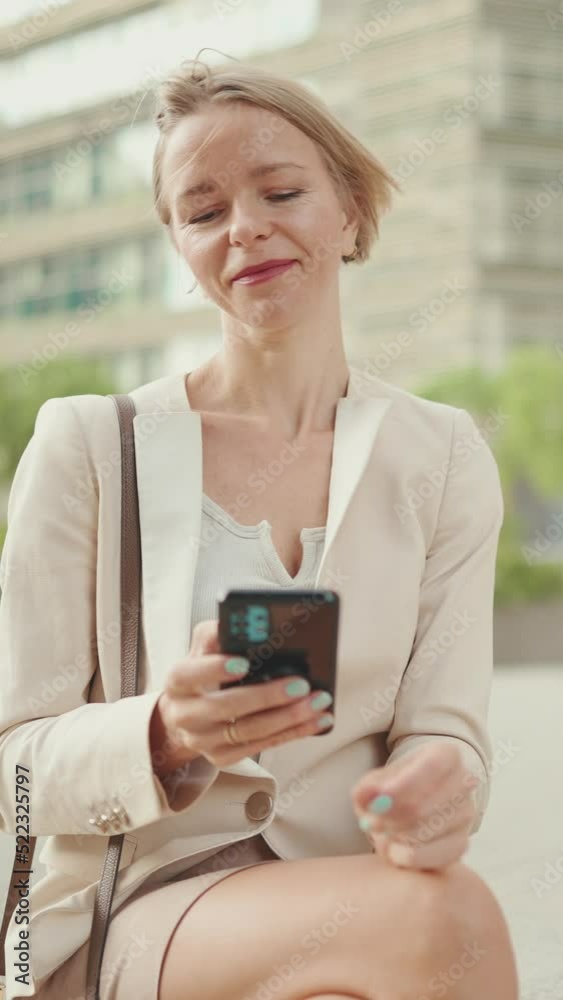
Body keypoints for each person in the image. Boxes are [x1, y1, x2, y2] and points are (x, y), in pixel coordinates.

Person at [0, 54, 519, 1000]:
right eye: (202, 213)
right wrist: (161, 734)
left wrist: (437, 790)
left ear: (350, 212)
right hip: (134, 905)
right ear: (183, 253)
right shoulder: (86, 445)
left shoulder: (439, 455)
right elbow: (15, 772)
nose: (244, 227)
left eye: (281, 190)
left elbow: (445, 729)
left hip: (344, 897)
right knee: (448, 922)